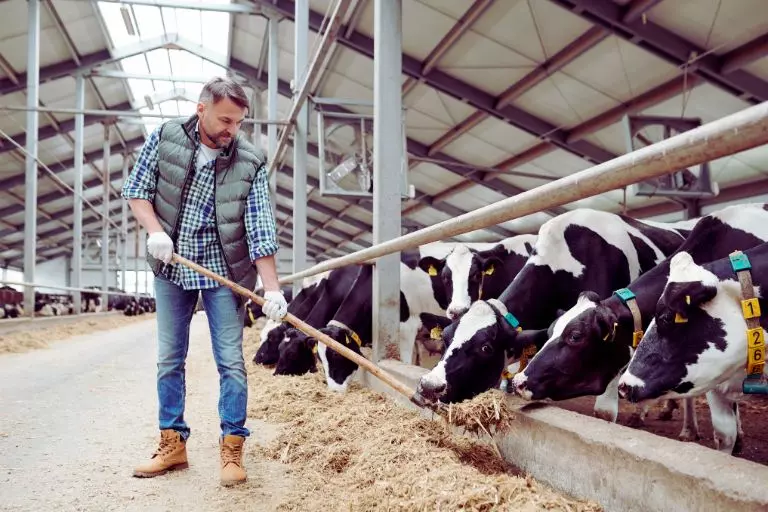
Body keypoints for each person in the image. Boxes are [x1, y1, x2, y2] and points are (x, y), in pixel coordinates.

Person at [122, 77, 289, 487]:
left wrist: (272, 289)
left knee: (231, 362)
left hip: (224, 271)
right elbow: (136, 190)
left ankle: (232, 448)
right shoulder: (164, 137)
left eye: (239, 122)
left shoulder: (249, 160)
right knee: (169, 359)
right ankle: (172, 444)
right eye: (226, 119)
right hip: (172, 265)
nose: (232, 129)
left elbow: (260, 225)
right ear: (202, 109)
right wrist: (153, 231)